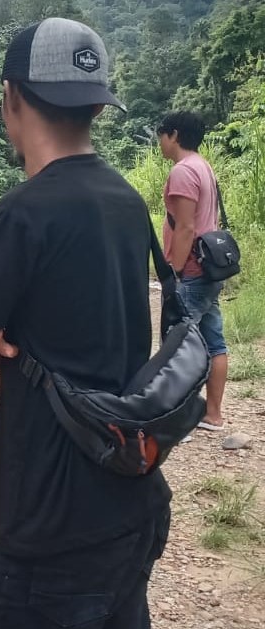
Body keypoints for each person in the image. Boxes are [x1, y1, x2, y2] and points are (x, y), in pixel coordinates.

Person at [0, 18, 171, 629]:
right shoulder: (127, 200)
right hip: (131, 492)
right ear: (97, 105)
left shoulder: (22, 213)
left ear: (10, 98)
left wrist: (6, 343)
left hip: (48, 522)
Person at [158, 111, 228, 432]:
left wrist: (174, 270)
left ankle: (178, 422)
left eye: (162, 135)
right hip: (210, 270)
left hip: (191, 271)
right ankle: (213, 415)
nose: (160, 142)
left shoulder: (183, 171)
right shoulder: (204, 166)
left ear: (173, 135)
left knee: (177, 346)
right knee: (214, 342)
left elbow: (185, 227)